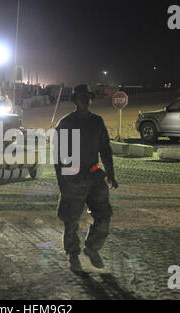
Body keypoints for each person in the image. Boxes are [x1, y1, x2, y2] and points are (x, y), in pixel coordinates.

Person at [54, 84, 118, 273]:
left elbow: (105, 149)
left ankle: (92, 248)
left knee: (104, 215)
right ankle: (73, 253)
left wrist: (111, 174)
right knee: (71, 220)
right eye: (81, 97)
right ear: (75, 100)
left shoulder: (97, 122)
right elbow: (58, 157)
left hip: (94, 175)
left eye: (87, 97)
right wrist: (62, 183)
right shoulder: (65, 123)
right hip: (73, 177)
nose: (85, 101)